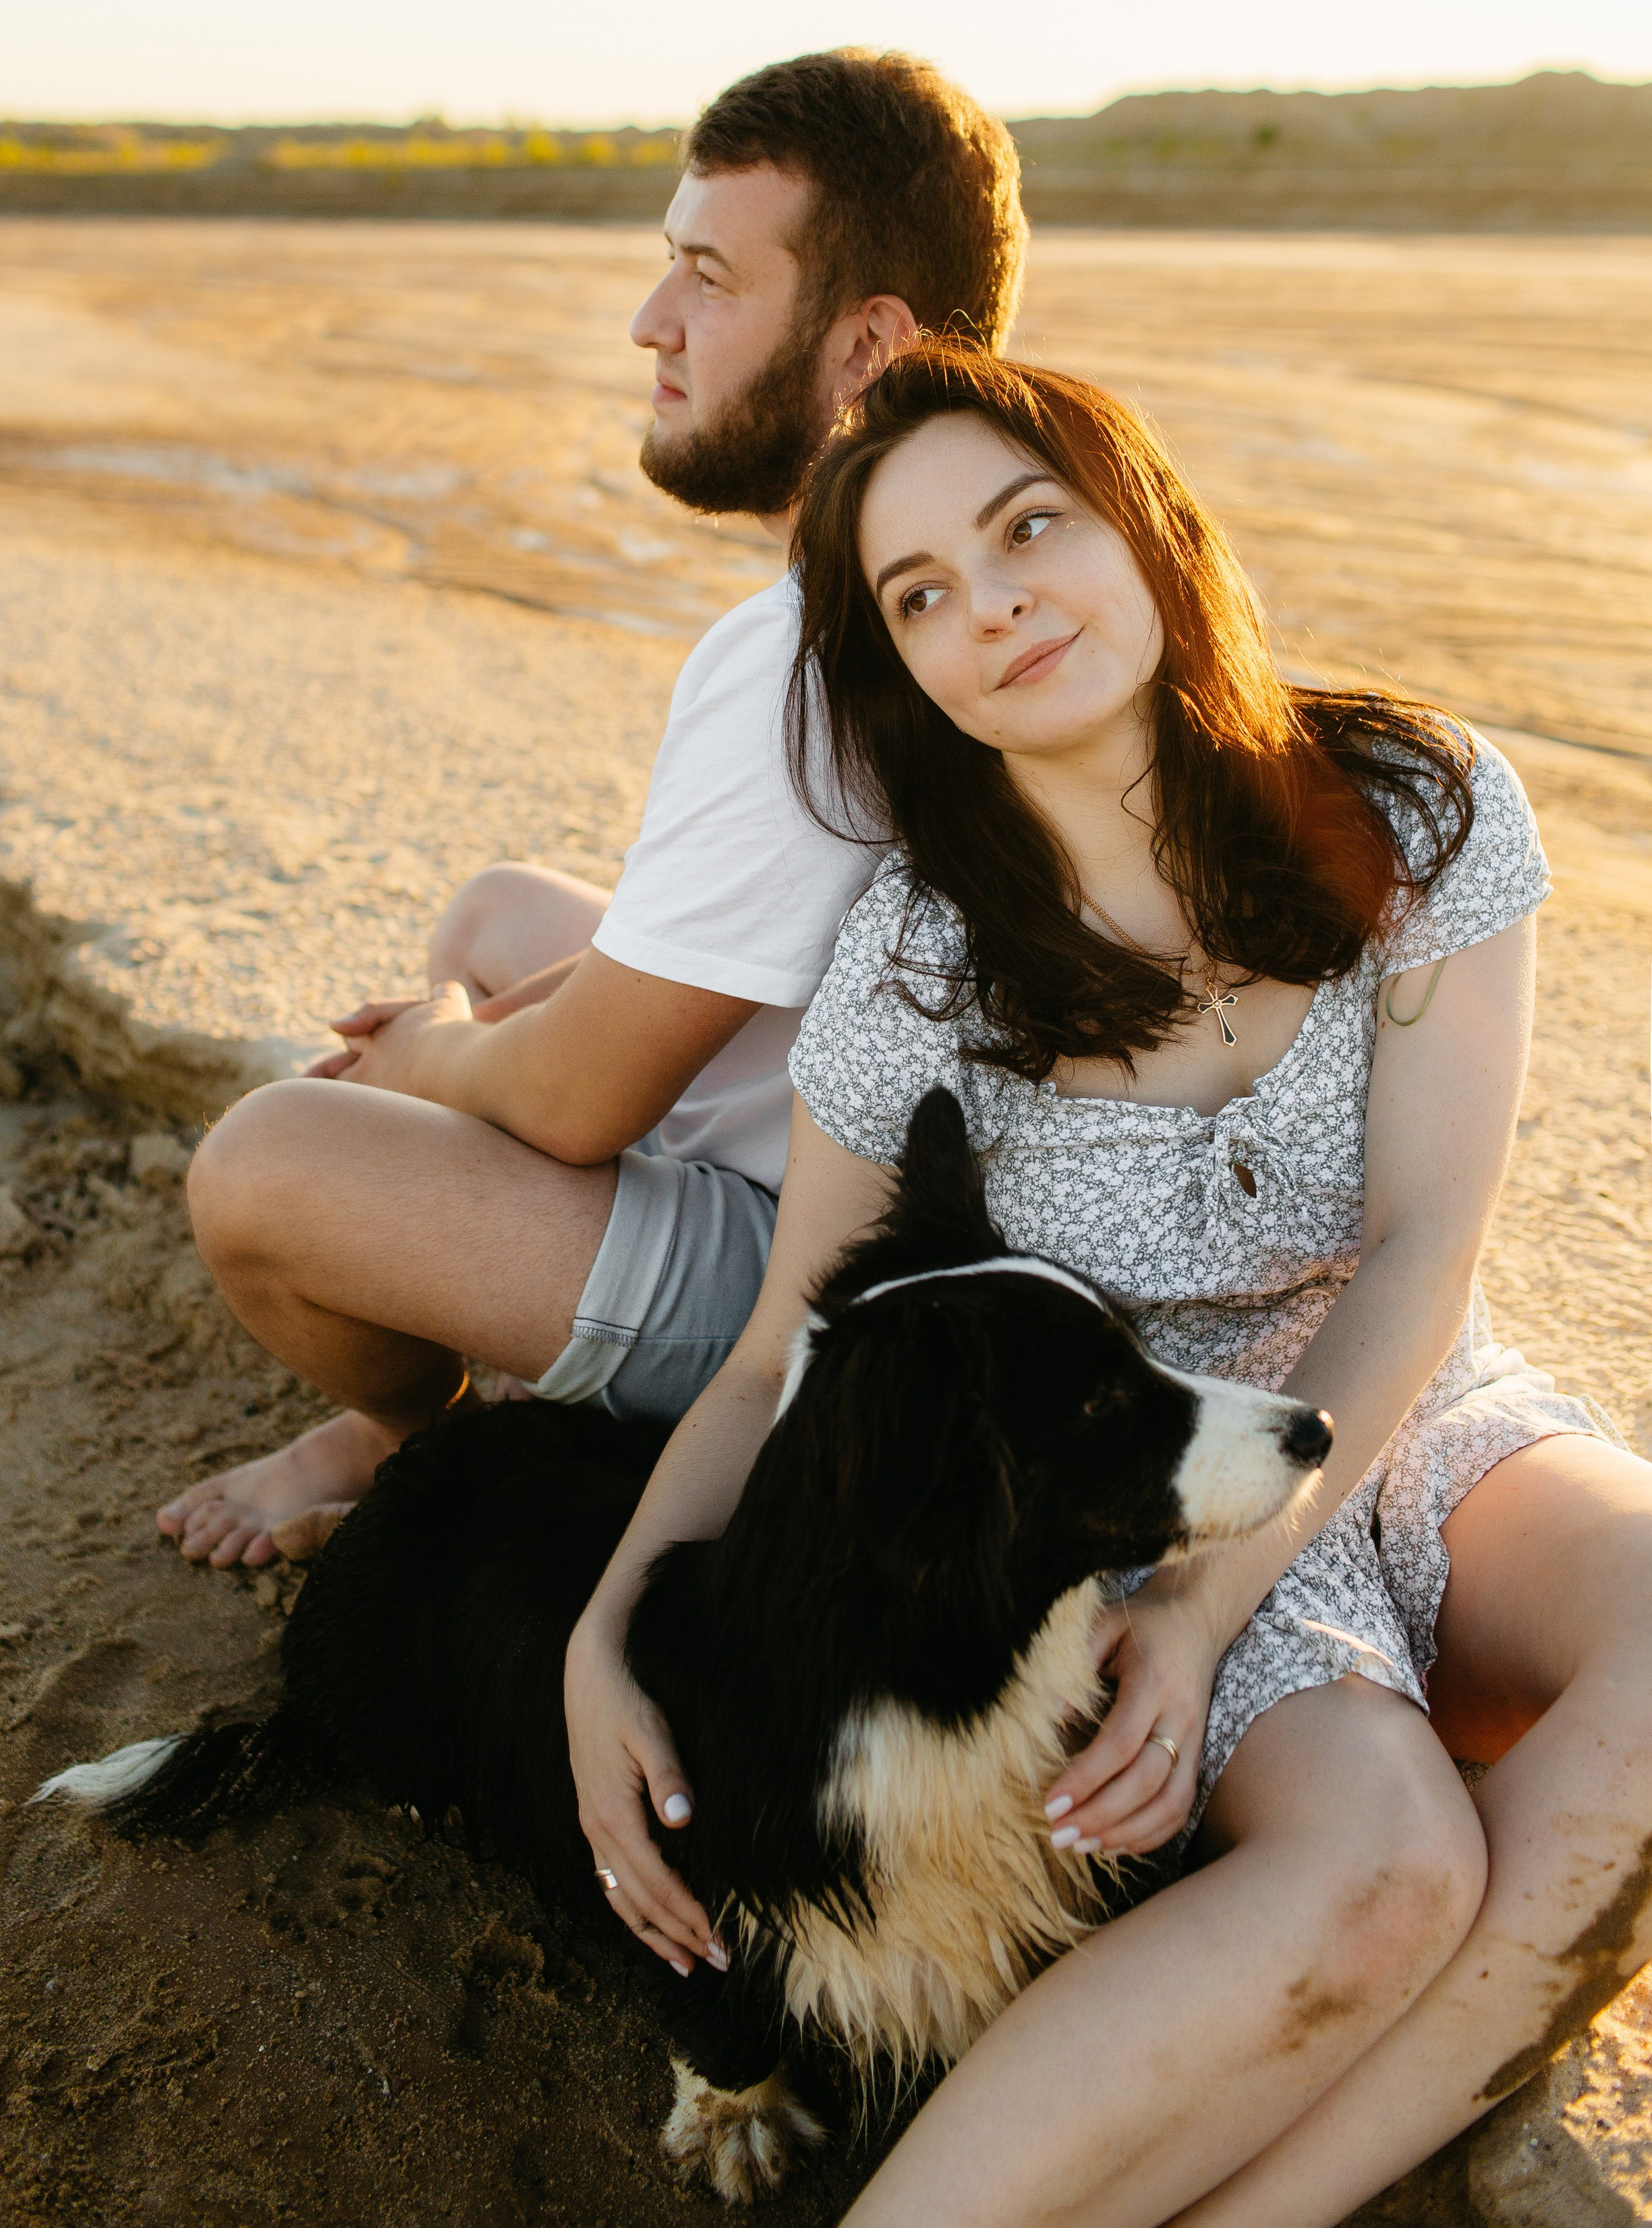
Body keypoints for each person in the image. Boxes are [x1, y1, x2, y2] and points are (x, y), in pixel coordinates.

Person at [565, 341, 1652, 2221]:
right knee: (1389, 1863)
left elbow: (1423, 1245)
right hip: (1153, 1480)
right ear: (899, 669)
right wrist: (610, 1629)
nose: (992, 606)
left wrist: (1220, 1613)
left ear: (1143, 523)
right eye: (920, 595)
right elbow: (782, 1359)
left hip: (1411, 1400)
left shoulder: (1414, 803)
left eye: (1025, 529)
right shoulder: (916, 965)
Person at [158, 52, 1028, 1572]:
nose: (651, 321)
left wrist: (433, 1055)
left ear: (864, 345)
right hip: (878, 1152)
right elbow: (791, 930)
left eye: (708, 277)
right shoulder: (968, 560)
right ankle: (478, 1385)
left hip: (847, 1294)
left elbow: (575, 1108)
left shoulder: (803, 650)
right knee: (501, 917)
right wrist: (495, 1023)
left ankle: (436, 1438)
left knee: (264, 1167)